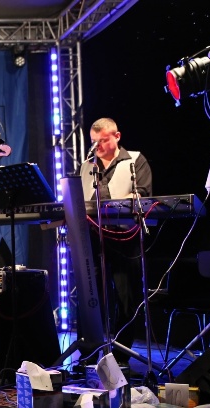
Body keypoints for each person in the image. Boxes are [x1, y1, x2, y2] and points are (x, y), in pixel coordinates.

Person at [79, 117, 153, 363]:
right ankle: (89, 353)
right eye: (93, 142)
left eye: (102, 141)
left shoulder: (135, 160)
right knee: (90, 296)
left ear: (117, 136)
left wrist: (132, 198)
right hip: (93, 238)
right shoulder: (86, 167)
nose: (97, 146)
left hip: (124, 238)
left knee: (126, 297)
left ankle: (121, 355)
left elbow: (143, 195)